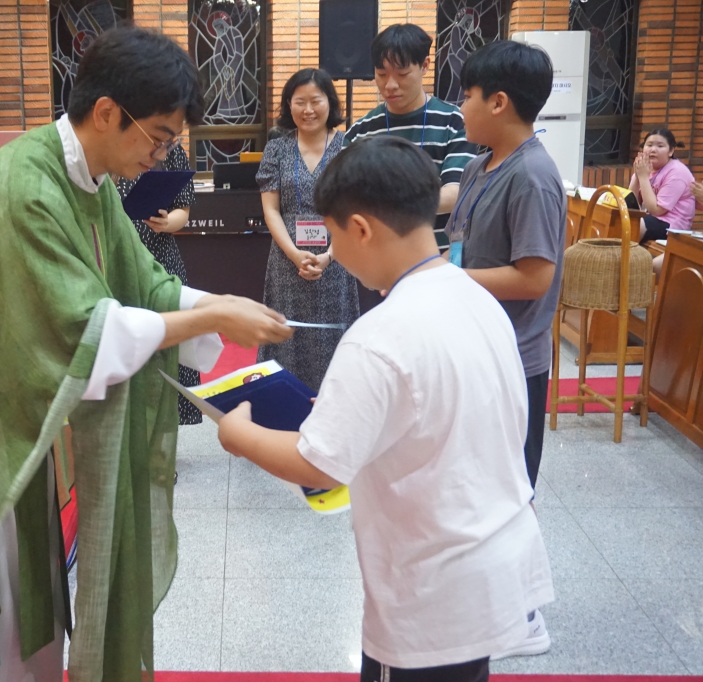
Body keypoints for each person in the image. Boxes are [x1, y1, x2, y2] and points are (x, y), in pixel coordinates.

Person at [0, 26, 293, 682]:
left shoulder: (92, 178)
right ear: (107, 112)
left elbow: (141, 283)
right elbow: (86, 329)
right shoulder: (25, 187)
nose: (160, 156)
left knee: (32, 603)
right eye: (158, 137)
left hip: (20, 409)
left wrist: (215, 302)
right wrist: (212, 316)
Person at [217, 135, 554, 682]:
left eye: (332, 234)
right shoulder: (477, 297)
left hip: (430, 593)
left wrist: (238, 435)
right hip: (492, 562)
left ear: (360, 229)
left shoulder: (378, 335)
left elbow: (318, 464)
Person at [445, 40, 565, 659]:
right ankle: (490, 597)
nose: (459, 106)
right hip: (475, 347)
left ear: (498, 102)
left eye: (466, 95)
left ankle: (524, 614)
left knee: (511, 487)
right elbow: (461, 248)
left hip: (514, 360)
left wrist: (447, 280)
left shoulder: (533, 175)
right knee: (479, 483)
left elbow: (534, 276)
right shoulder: (480, 166)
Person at [256, 68, 359, 391]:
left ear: (330, 102)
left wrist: (329, 255)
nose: (308, 110)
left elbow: (354, 209)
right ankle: (285, 403)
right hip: (287, 260)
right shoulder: (276, 148)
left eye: (316, 101)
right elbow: (271, 209)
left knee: (333, 334)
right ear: (289, 105)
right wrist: (294, 253)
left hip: (338, 257)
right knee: (287, 336)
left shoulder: (347, 147)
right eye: (299, 102)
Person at [345, 23, 478, 251]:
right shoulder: (361, 131)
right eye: (381, 74)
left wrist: (390, 205)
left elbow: (456, 192)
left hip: (438, 257)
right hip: (379, 259)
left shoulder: (454, 121)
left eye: (402, 74)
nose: (390, 85)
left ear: (425, 65)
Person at [113, 143, 202, 425]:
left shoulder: (171, 150)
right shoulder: (109, 145)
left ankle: (168, 429)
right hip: (114, 258)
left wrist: (166, 223)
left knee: (168, 343)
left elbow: (182, 212)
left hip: (160, 257)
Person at [628, 128, 697, 276]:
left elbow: (657, 210)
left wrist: (643, 177)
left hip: (672, 225)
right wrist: (638, 176)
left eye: (660, 146)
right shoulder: (646, 168)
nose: (653, 150)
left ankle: (624, 266)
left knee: (635, 224)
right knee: (626, 219)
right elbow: (631, 204)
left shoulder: (677, 172)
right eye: (649, 145)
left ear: (671, 151)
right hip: (652, 219)